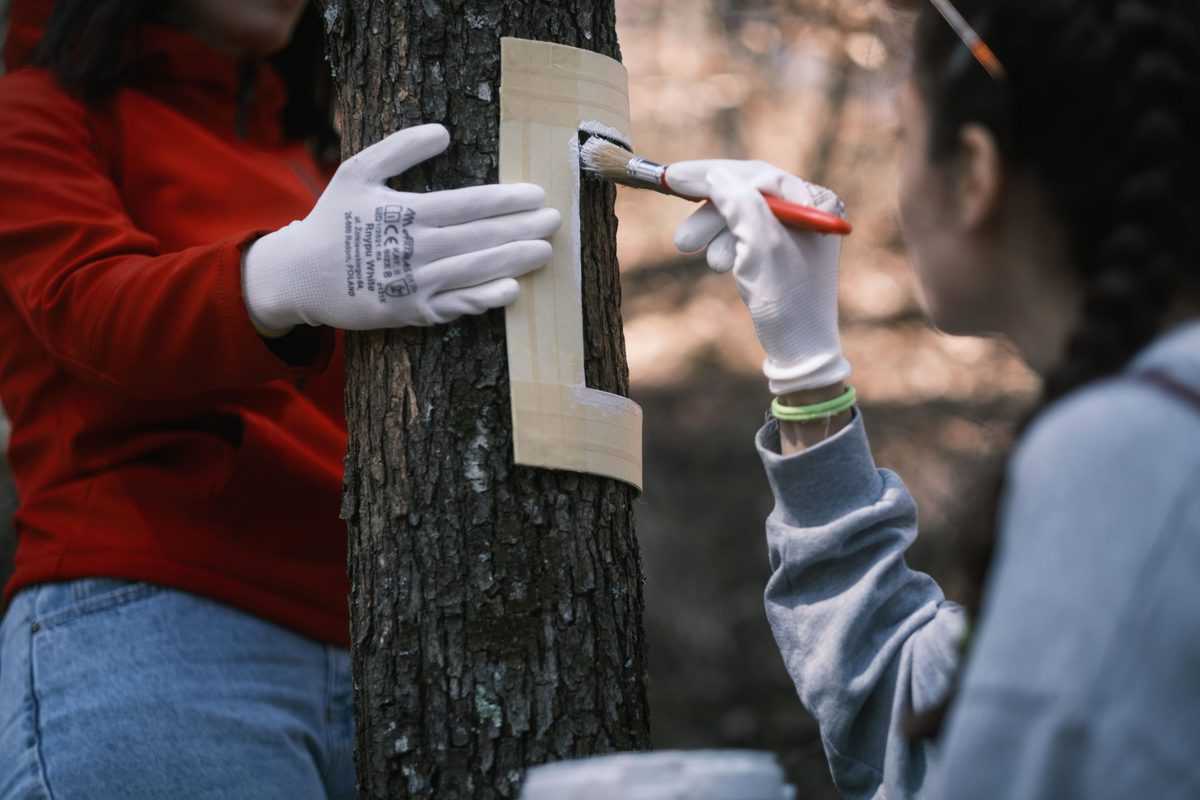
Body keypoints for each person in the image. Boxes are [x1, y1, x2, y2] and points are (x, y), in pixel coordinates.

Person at [0, 0, 559, 797]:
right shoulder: (36, 111)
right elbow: (85, 306)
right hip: (156, 619)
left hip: (381, 643)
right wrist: (278, 277)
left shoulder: (307, 146)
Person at [666, 0, 1200, 797]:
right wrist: (806, 376)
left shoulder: (1130, 462)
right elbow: (938, 722)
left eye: (902, 140)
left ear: (976, 173)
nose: (897, 185)